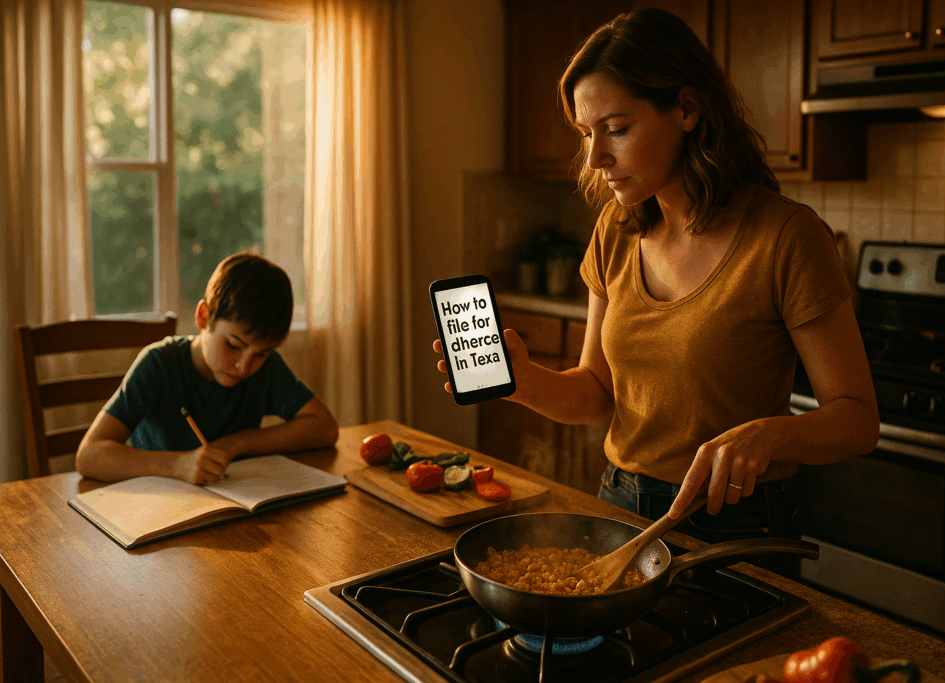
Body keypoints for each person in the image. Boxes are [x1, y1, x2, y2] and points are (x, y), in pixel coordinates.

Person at [433, 8, 878, 575]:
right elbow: (596, 391)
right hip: (619, 506)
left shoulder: (786, 237)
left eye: (616, 129)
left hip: (739, 525)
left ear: (688, 109)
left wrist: (771, 434)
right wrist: (519, 382)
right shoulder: (616, 232)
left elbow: (858, 420)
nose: (596, 157)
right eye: (587, 133)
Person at [77, 252, 339, 485]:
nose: (244, 366)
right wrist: (178, 465)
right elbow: (89, 455)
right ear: (204, 317)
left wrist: (236, 443)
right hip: (162, 514)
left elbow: (324, 428)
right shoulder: (159, 365)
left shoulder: (266, 368)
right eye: (234, 345)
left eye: (261, 353)